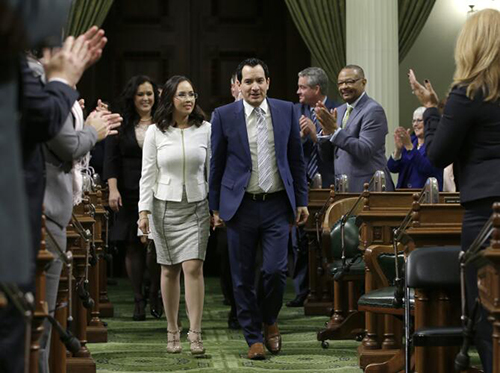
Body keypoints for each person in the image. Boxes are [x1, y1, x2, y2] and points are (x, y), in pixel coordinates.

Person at [0, 25, 107, 373]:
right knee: (34, 330)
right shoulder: (27, 72)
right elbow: (60, 137)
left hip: (36, 213)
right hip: (34, 217)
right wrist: (91, 126)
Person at [408, 9, 500, 373]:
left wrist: (431, 111)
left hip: (484, 214)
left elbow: (437, 155)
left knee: (485, 311)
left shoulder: (468, 91)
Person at [209, 58, 309, 360]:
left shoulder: (286, 111)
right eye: (248, 81)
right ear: (238, 85)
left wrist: (301, 200)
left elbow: (296, 159)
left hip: (278, 204)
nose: (254, 87)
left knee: (276, 272)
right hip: (240, 207)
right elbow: (217, 164)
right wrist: (214, 207)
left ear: (268, 82)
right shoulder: (224, 115)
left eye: (259, 81)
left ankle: (270, 320)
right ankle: (253, 337)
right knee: (241, 275)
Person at [138, 75, 210, 355]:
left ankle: (195, 332)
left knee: (193, 267)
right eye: (182, 95)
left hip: (197, 206)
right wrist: (143, 212)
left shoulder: (206, 128)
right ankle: (172, 329)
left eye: (192, 94)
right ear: (170, 99)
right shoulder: (156, 132)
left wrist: (215, 208)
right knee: (169, 270)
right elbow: (148, 174)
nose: (189, 99)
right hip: (163, 207)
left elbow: (211, 171)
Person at [103, 75, 162, 321]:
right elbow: (111, 159)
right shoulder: (121, 122)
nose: (146, 98)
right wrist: (113, 189)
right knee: (132, 245)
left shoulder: (164, 122)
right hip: (128, 190)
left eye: (149, 94)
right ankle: (138, 297)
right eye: (141, 94)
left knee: (156, 246)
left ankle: (156, 293)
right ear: (133, 98)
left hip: (158, 191)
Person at [287, 67, 337, 308]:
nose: (298, 91)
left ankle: (329, 289)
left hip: (330, 183)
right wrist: (298, 135)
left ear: (316, 90)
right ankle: (302, 290)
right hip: (302, 183)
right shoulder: (294, 111)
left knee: (327, 238)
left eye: (302, 87)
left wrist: (316, 135)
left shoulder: (337, 110)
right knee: (299, 239)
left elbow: (337, 151)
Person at [316, 64, 394, 192]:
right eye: (340, 83)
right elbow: (328, 157)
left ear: (363, 82)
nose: (344, 87)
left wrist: (335, 131)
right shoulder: (340, 111)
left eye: (350, 82)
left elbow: (364, 151)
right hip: (343, 189)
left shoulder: (373, 110)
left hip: (369, 189)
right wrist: (326, 133)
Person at [387, 106, 443, 190]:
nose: (415, 124)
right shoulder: (411, 141)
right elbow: (392, 168)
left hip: (426, 196)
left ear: (428, 123)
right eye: (413, 121)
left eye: (419, 120)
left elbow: (427, 168)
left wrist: (409, 146)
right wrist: (398, 150)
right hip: (404, 196)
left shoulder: (436, 144)